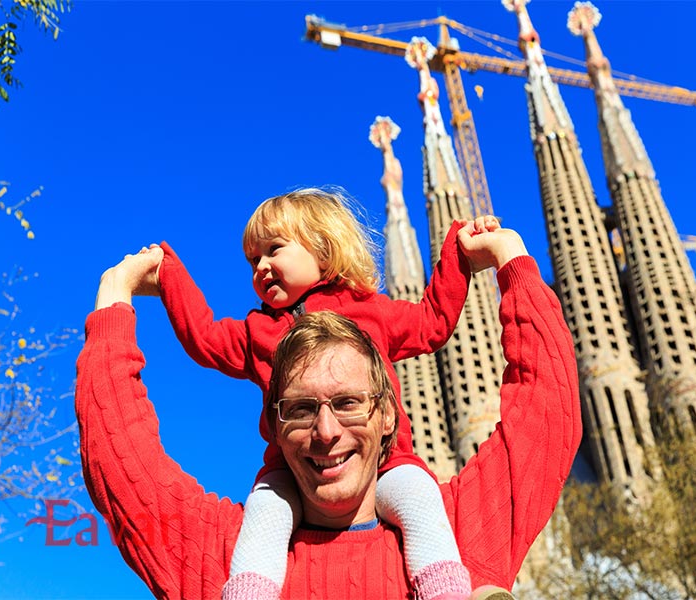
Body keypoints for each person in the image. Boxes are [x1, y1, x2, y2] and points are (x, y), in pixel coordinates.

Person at [76, 220, 582, 599]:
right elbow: (121, 463)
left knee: (418, 497)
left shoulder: (461, 533)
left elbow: (545, 409)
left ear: (388, 413)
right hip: (265, 529)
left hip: (409, 488)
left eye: (348, 403)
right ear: (274, 423)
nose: (325, 431)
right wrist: (117, 298)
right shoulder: (227, 559)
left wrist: (507, 260)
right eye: (298, 408)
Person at [151, 188, 478, 599]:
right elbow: (204, 338)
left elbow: (433, 320)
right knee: (264, 514)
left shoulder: (369, 309)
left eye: (273, 250)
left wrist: (459, 251)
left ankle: (445, 593)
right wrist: (169, 276)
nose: (262, 267)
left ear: (323, 248)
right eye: (253, 260)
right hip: (292, 474)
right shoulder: (259, 331)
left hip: (387, 462)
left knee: (420, 500)